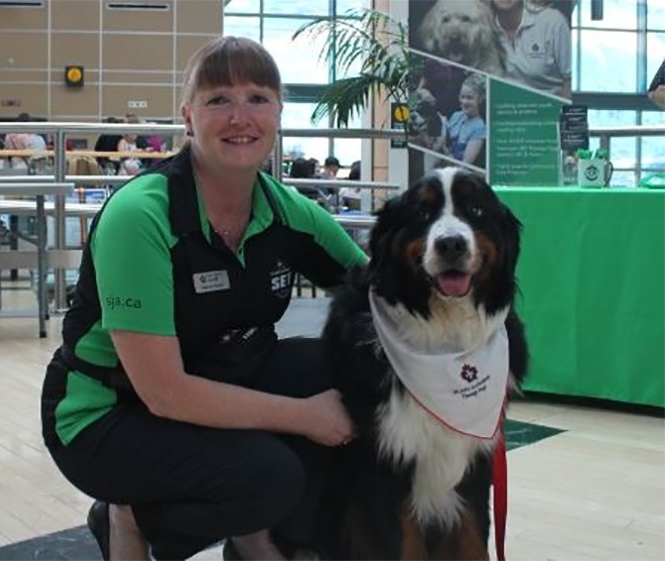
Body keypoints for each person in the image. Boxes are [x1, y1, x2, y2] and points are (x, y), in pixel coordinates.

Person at [40, 36, 368, 561]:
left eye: (258, 97)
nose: (242, 116)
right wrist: (306, 417)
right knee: (267, 476)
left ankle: (268, 540)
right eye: (219, 99)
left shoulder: (287, 210)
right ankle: (129, 515)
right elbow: (164, 393)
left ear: (278, 113)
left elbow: (377, 291)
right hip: (109, 415)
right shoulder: (142, 215)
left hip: (217, 382)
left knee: (338, 365)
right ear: (188, 118)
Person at [490, 0, 572, 99]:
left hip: (548, 110)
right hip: (503, 110)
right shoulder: (482, 27)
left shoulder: (553, 22)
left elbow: (569, 80)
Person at [446, 73, 487, 167]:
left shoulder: (479, 127)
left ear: (480, 100)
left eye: (469, 98)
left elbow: (465, 164)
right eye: (462, 97)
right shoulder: (456, 116)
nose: (464, 102)